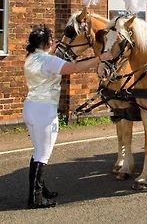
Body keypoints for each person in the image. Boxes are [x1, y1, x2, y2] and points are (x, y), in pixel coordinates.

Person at [23, 24, 113, 209]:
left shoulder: (31, 58)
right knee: (43, 153)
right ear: (47, 42)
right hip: (44, 111)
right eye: (51, 39)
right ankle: (36, 198)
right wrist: (100, 58)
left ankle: (40, 190)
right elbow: (74, 67)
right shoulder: (49, 61)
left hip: (30, 107)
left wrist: (55, 49)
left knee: (38, 151)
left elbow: (55, 61)